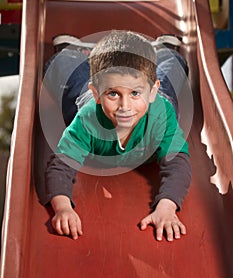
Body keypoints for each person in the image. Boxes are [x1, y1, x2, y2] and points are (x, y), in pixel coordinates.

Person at [43, 30, 191, 242]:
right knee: (65, 72)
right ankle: (72, 53)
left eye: (135, 94)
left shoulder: (161, 114)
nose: (125, 106)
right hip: (89, 96)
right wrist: (63, 207)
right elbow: (60, 165)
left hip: (155, 99)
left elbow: (178, 164)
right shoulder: (88, 118)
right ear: (97, 94)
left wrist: (167, 207)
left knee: (174, 68)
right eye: (114, 94)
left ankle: (164, 52)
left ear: (151, 92)